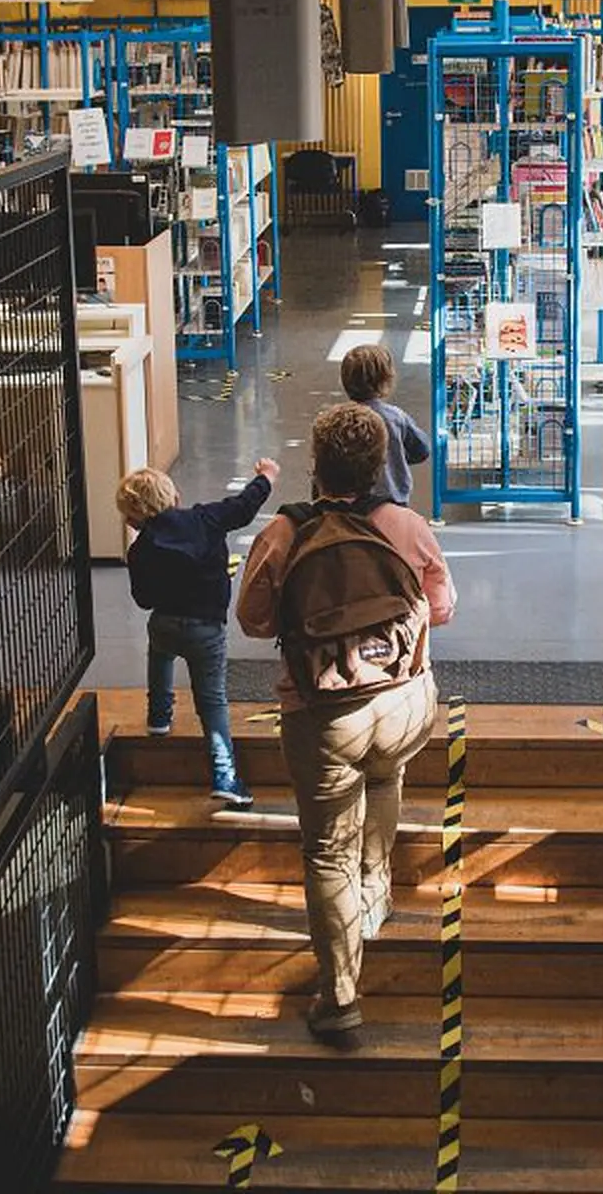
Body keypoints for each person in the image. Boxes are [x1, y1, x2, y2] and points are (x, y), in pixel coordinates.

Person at [237, 403, 456, 1045]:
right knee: (385, 781)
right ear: (377, 464)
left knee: (324, 850)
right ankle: (376, 894)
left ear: (316, 463)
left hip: (323, 714)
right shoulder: (408, 527)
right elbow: (440, 609)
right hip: (405, 703)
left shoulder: (284, 532)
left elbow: (252, 620)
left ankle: (339, 1000)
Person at [117, 459, 280, 809]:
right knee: (212, 700)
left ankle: (159, 716)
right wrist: (265, 477)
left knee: (159, 656)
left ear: (133, 519)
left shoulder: (139, 549)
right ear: (176, 496)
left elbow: (143, 600)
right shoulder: (205, 519)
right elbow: (244, 506)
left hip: (164, 622)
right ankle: (225, 778)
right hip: (206, 629)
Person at [339, 342, 430, 506]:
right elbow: (421, 450)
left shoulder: (339, 421)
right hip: (393, 502)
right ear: (386, 379)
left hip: (351, 508)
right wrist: (396, 455)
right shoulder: (395, 417)